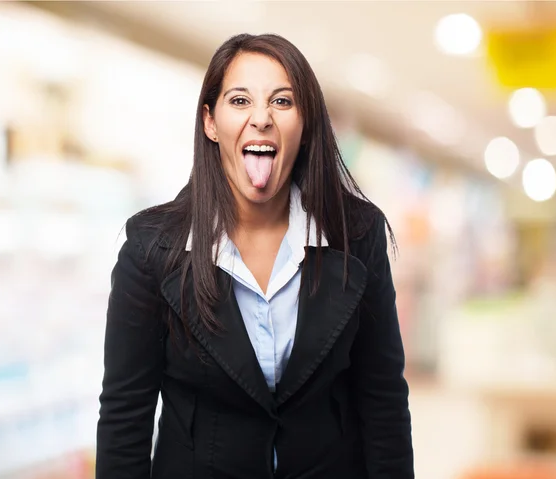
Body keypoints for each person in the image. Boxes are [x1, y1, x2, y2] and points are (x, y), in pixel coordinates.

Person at [96, 33, 414, 479]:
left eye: (282, 102)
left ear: (305, 126)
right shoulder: (152, 249)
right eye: (240, 101)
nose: (261, 118)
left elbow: (383, 402)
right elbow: (124, 417)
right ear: (210, 122)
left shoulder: (356, 236)